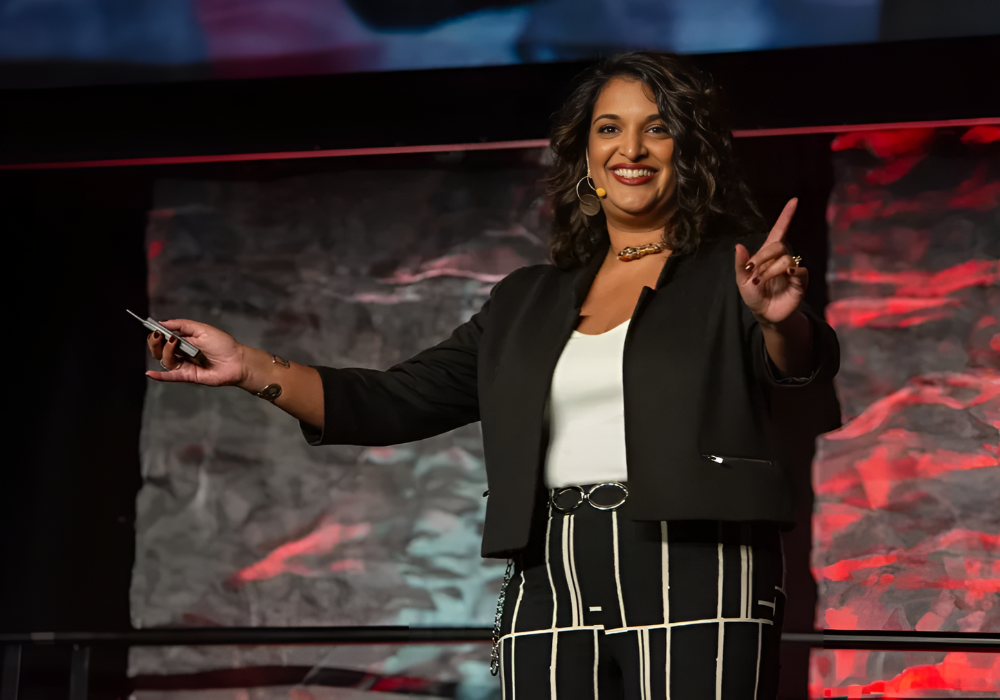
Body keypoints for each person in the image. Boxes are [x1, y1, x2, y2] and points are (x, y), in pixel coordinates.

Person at [146, 52, 839, 699]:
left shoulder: (735, 273)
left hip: (699, 562)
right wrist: (249, 368)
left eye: (657, 129)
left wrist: (779, 318)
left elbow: (799, 367)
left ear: (688, 155)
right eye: (609, 129)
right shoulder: (525, 300)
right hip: (548, 567)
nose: (631, 148)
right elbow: (394, 402)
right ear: (586, 160)